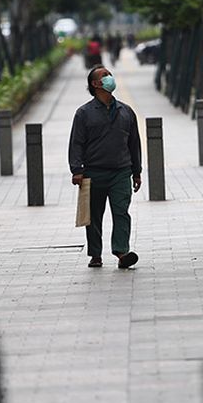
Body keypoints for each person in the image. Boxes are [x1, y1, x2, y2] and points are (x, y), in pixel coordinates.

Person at [68, 65, 142, 269]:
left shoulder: (126, 111)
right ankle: (95, 254)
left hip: (121, 172)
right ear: (95, 84)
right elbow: (76, 143)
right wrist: (77, 170)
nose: (110, 78)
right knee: (93, 217)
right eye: (104, 76)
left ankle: (121, 252)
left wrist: (137, 172)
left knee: (121, 212)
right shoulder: (83, 113)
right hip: (93, 172)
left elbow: (134, 143)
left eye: (110, 74)